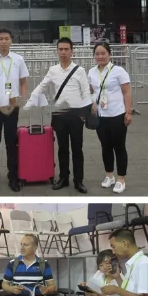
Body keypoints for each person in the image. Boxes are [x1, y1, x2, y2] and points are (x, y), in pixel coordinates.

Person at [29, 36, 92, 192]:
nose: (63, 52)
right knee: (62, 148)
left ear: (72, 52)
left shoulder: (80, 70)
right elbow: (42, 86)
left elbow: (86, 92)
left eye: (66, 49)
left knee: (77, 149)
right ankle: (63, 177)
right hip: (59, 114)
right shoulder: (53, 70)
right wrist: (30, 100)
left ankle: (78, 180)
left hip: (76, 115)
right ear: (57, 51)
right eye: (61, 49)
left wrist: (84, 114)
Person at [0, 28, 28, 194]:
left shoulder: (18, 59)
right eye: (0, 38)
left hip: (11, 108)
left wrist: (23, 99)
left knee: (11, 144)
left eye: (6, 38)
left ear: (11, 41)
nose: (3, 41)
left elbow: (23, 82)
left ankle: (13, 178)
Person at [91, 41, 134, 194]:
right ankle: (109, 175)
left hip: (117, 113)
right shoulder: (92, 72)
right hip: (101, 116)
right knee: (105, 146)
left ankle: (121, 178)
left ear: (109, 54)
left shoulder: (118, 71)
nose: (100, 56)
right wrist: (92, 104)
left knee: (119, 146)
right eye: (97, 54)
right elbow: (91, 91)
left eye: (103, 53)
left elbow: (127, 92)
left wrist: (128, 112)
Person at [3, 232, 55, 296]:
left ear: (35, 247)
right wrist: (11, 289)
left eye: (25, 245)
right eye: (21, 244)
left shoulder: (43, 264)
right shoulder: (13, 263)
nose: (22, 247)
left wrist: (47, 290)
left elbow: (53, 286)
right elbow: (4, 284)